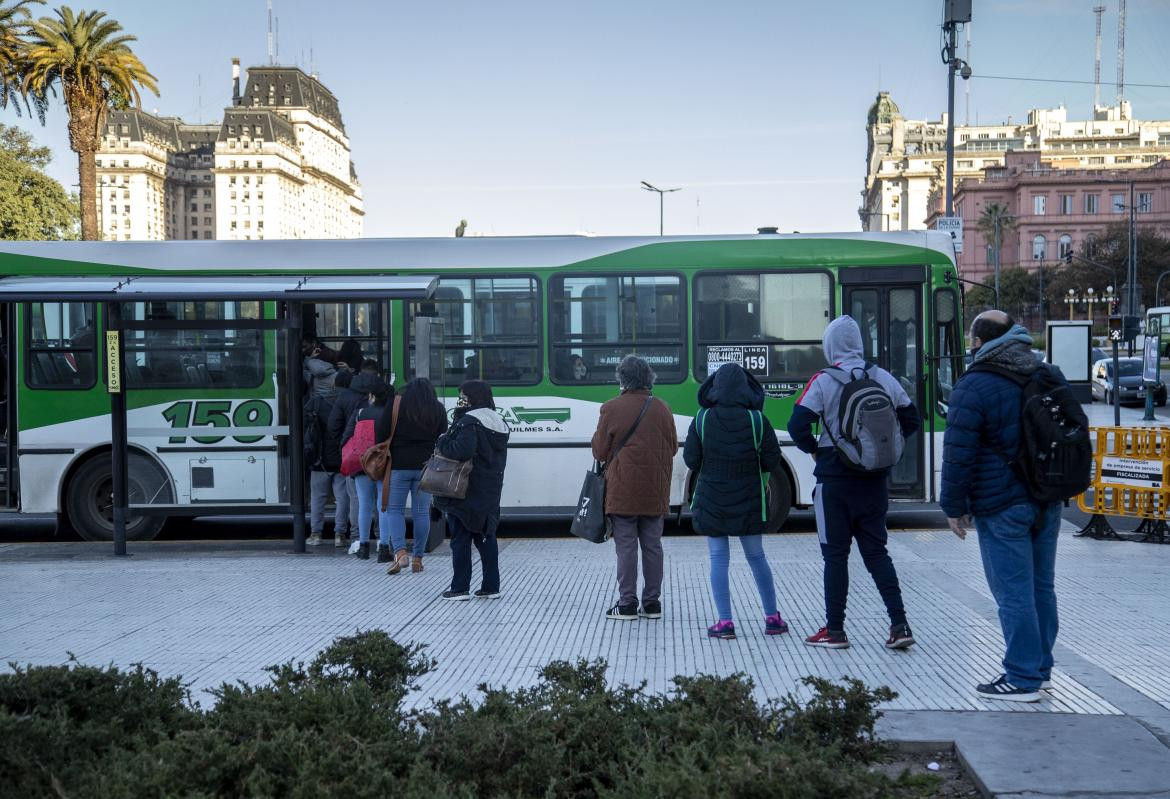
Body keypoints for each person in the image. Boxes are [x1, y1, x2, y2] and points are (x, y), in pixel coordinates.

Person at [941, 310, 1063, 703]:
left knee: (1013, 592)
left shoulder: (975, 383)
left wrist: (953, 506)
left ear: (978, 342)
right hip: (1048, 499)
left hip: (1002, 504)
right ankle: (1041, 670)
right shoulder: (1046, 372)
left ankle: (1022, 677)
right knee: (1041, 586)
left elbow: (959, 452)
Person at [787, 315, 920, 651]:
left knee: (835, 556)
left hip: (834, 483)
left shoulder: (822, 380)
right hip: (874, 481)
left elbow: (797, 425)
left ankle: (835, 631)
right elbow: (911, 418)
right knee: (877, 554)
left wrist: (816, 450)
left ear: (830, 346)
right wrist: (882, 451)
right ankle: (899, 624)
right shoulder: (882, 377)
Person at [684, 363, 786, 639]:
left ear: (715, 388)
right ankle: (772, 618)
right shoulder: (757, 420)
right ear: (745, 388)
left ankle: (725, 622)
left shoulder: (702, 418)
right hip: (749, 499)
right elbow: (771, 460)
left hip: (712, 499)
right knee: (757, 557)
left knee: (719, 558)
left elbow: (691, 460)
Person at [591, 355, 677, 621]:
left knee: (626, 546)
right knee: (653, 545)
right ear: (648, 378)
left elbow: (600, 451)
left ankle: (627, 604)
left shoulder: (611, 408)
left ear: (622, 380)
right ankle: (652, 604)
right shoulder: (662, 408)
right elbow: (673, 448)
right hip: (656, 489)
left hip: (622, 489)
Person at [433, 380, 510, 600]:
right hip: (490, 488)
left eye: (463, 396)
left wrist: (442, 441)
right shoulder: (498, 420)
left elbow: (461, 450)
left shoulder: (468, 421)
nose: (461, 399)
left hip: (465, 489)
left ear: (472, 397)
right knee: (486, 536)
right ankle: (491, 586)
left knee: (461, 538)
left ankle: (459, 588)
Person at [376, 377, 448, 575]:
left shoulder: (396, 404)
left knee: (394, 510)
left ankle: (400, 554)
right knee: (421, 513)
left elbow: (381, 432)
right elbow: (443, 436)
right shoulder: (437, 409)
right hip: (426, 467)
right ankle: (418, 559)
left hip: (398, 466)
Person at [341, 376, 394, 561]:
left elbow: (346, 437)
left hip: (362, 463)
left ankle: (363, 547)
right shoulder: (391, 416)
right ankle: (384, 548)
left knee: (364, 505)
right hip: (383, 464)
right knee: (383, 506)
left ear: (372, 396)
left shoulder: (360, 413)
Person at [304, 356, 341, 548]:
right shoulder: (343, 403)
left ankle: (316, 534)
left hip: (318, 460)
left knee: (317, 497)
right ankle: (340, 536)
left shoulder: (312, 405)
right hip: (341, 459)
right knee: (342, 499)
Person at [327, 369, 365, 547]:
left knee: (354, 496)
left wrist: (344, 444)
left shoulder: (341, 398)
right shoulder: (366, 398)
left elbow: (333, 425)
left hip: (351, 454)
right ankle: (379, 536)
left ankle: (356, 536)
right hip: (372, 454)